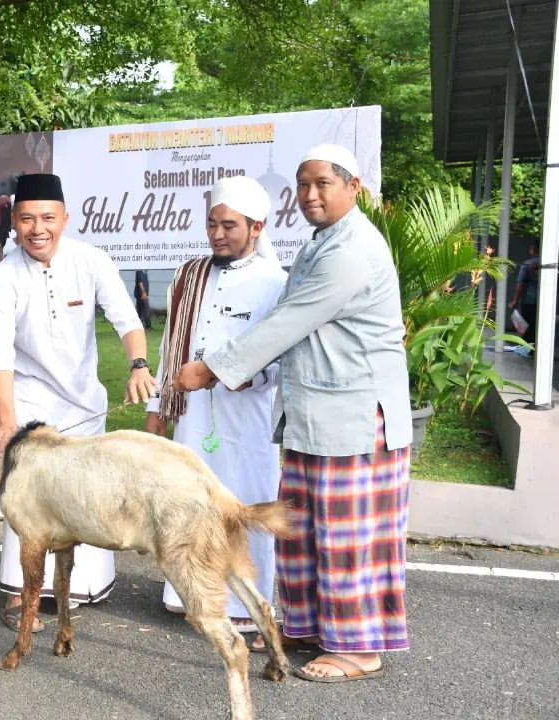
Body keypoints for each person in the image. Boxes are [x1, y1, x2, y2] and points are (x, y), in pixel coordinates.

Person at [173, 144, 412, 683]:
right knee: (303, 530)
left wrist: (212, 369)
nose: (310, 195)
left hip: (355, 417)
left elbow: (290, 321)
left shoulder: (352, 249)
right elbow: (285, 317)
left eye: (323, 183)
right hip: (314, 413)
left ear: (353, 187)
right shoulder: (319, 244)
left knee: (347, 539)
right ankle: (307, 627)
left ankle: (357, 649)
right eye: (303, 184)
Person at [0, 172, 156, 631]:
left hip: (83, 404)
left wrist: (139, 365)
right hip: (29, 403)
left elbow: (126, 320)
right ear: (14, 222)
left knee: (83, 494)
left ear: (65, 218)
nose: (37, 229)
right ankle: (19, 594)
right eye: (26, 219)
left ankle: (79, 587)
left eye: (47, 218)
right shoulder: (4, 277)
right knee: (26, 496)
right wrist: (7, 419)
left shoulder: (90, 260)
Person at [145, 176, 287, 637]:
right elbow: (170, 348)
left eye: (229, 226)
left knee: (245, 506)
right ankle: (189, 594)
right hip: (191, 414)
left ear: (257, 227)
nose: (218, 234)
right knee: (190, 503)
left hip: (247, 419)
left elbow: (280, 358)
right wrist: (156, 410)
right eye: (212, 224)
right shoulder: (189, 275)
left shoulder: (276, 283)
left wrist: (233, 375)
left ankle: (248, 602)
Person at [509, 243, 540, 350]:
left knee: (526, 326)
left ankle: (527, 349)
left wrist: (515, 300)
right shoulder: (545, 264)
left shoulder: (527, 264)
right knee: (537, 325)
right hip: (543, 301)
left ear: (533, 250)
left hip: (529, 300)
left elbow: (521, 284)